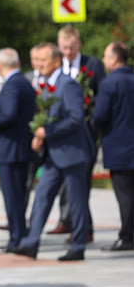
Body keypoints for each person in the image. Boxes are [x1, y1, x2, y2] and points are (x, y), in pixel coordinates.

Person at [13, 43, 93, 261]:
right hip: (53, 154)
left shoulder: (66, 84)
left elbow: (75, 118)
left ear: (56, 61)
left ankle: (78, 247)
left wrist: (47, 131)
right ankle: (31, 243)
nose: (37, 64)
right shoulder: (47, 84)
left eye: (42, 60)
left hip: (72, 153)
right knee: (41, 197)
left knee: (76, 202)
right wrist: (40, 136)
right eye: (36, 59)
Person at [48, 26, 105, 237]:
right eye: (64, 48)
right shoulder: (56, 66)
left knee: (81, 182)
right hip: (61, 133)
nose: (68, 52)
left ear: (79, 44)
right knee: (63, 182)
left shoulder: (92, 65)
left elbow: (102, 95)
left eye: (71, 47)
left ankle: (84, 228)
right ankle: (67, 220)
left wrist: (90, 115)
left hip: (85, 132)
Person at [0, 48, 36, 253]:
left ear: (0, 65)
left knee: (13, 199)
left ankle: (16, 240)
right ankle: (19, 237)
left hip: (11, 150)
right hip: (18, 149)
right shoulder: (23, 82)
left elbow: (9, 115)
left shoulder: (13, 85)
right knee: (17, 198)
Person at [91, 41, 134, 252]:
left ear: (114, 59)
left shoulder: (109, 84)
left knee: (125, 196)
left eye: (106, 56)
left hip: (120, 148)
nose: (104, 61)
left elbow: (100, 117)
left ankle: (127, 237)